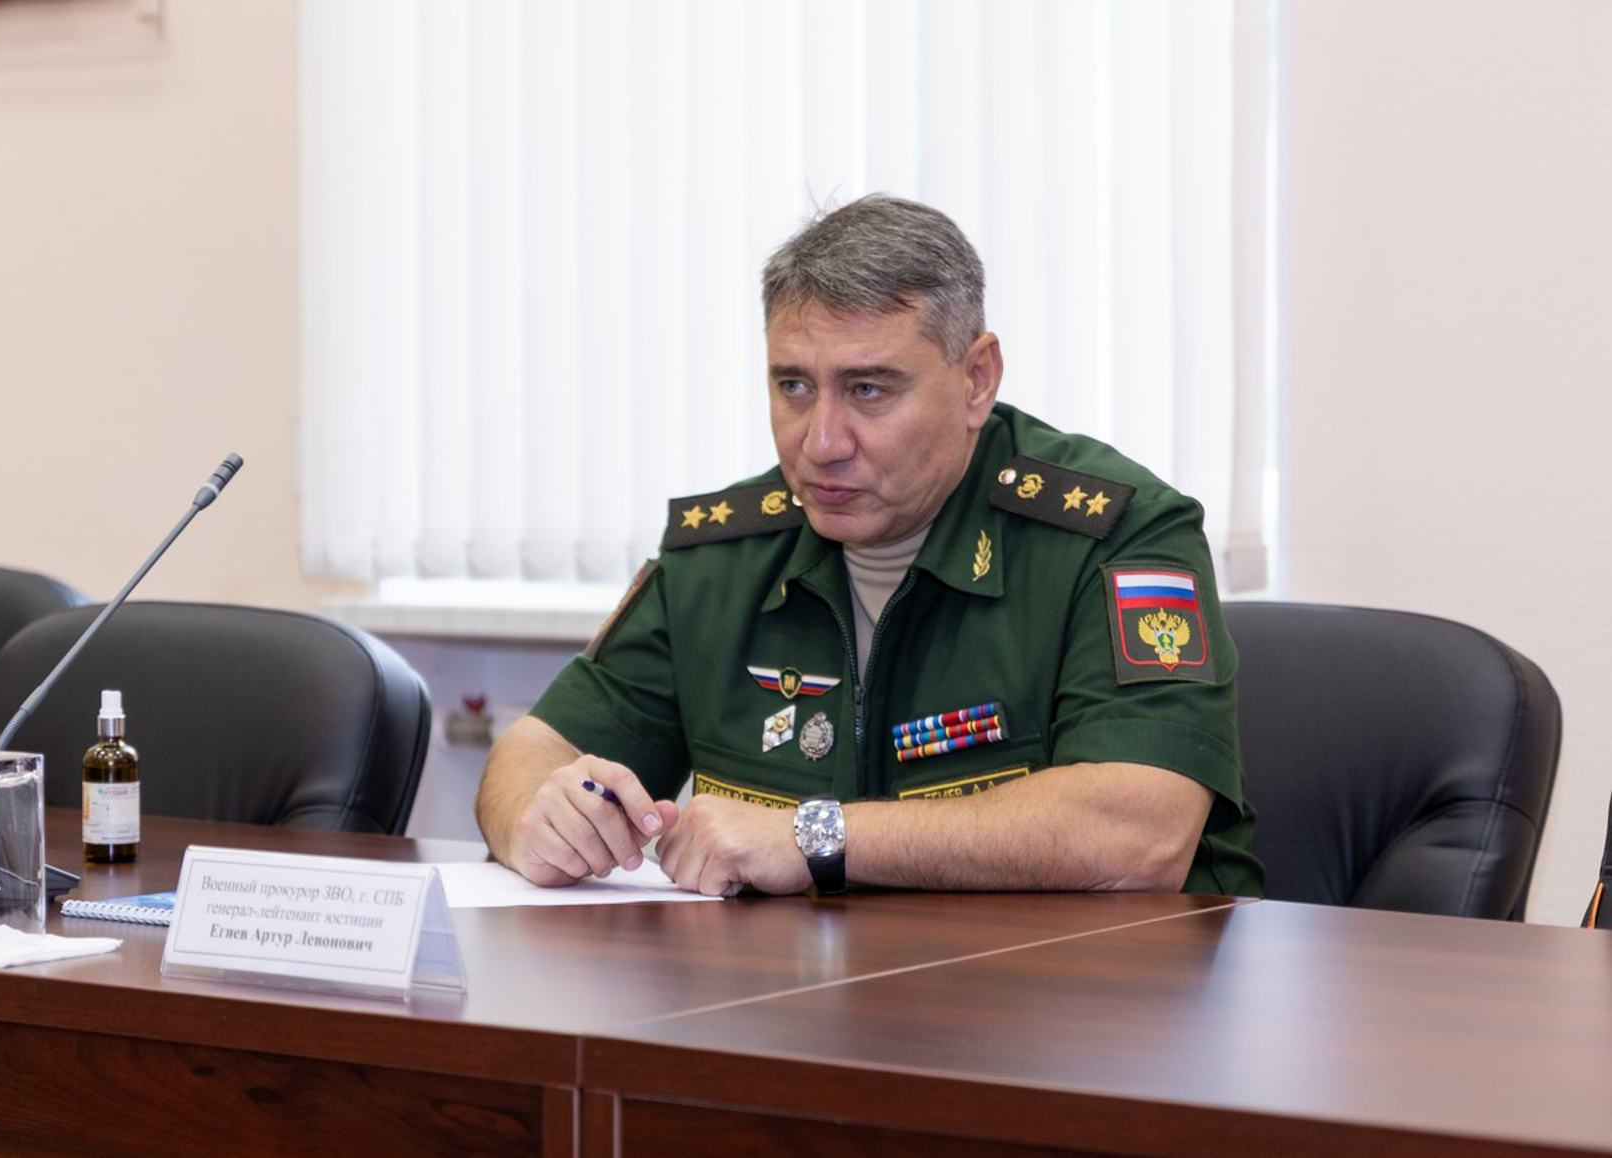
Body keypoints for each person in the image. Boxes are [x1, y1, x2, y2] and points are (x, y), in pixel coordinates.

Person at [476, 194, 1260, 899]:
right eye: (793, 386)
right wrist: (541, 817)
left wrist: (817, 838)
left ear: (977, 379)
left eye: (868, 390)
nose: (821, 442)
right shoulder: (722, 557)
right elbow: (535, 749)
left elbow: (1140, 834)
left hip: (1086, 996)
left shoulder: (1113, 536)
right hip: (795, 992)